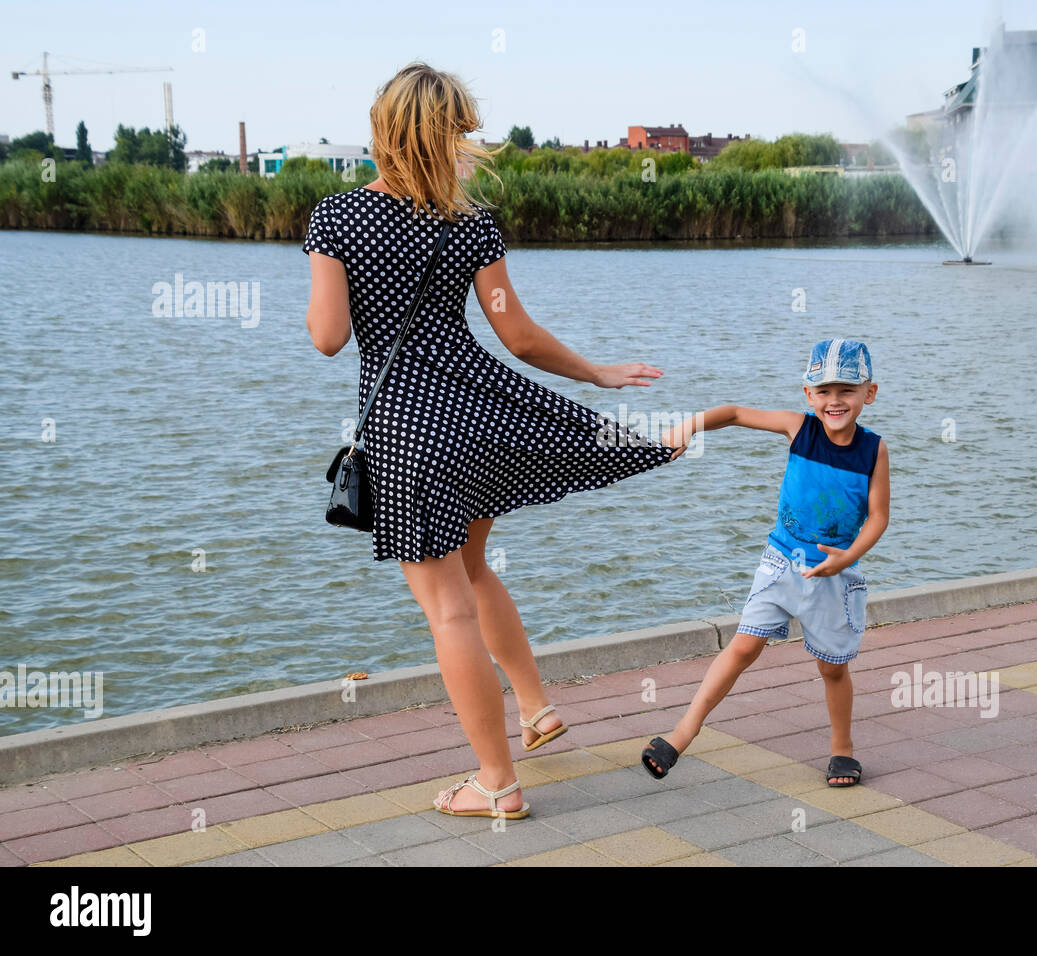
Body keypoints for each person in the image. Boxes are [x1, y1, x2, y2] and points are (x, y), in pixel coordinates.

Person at [303, 63, 674, 820]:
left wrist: (329, 276)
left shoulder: (337, 219)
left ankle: (497, 783)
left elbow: (327, 338)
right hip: (481, 418)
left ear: (381, 131)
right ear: (452, 136)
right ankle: (536, 709)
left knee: (447, 611)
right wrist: (596, 374)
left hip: (409, 431)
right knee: (471, 570)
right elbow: (517, 334)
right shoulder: (473, 224)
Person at [642, 338, 889, 787]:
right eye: (824, 391)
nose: (835, 401)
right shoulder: (799, 429)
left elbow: (878, 516)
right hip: (780, 561)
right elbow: (734, 413)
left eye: (847, 391)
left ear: (869, 394)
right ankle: (681, 734)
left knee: (832, 669)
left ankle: (842, 750)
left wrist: (849, 556)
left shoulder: (874, 450)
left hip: (834, 575)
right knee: (742, 647)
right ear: (808, 395)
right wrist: (689, 426)